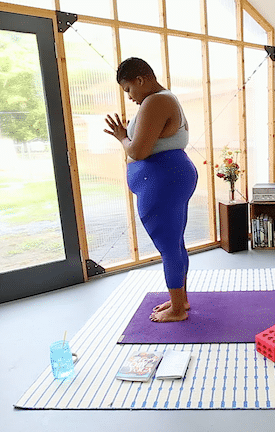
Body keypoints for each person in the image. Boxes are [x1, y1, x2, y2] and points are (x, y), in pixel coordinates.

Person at [104, 57, 198, 323]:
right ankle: (181, 300)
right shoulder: (163, 99)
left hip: (162, 182)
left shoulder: (156, 101)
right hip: (166, 178)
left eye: (128, 90)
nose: (130, 97)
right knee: (175, 244)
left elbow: (138, 150)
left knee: (169, 248)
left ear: (140, 80)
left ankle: (178, 310)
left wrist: (122, 137)